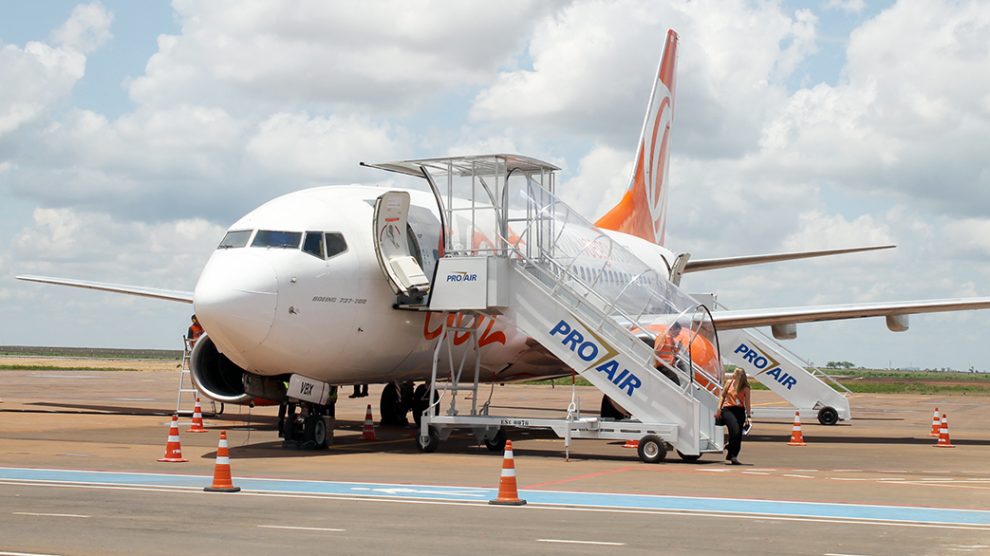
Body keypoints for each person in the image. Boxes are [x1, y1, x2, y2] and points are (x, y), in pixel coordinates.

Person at [716, 368, 752, 465]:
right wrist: (719, 408)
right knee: (735, 430)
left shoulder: (745, 387)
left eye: (736, 374)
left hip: (739, 411)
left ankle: (733, 456)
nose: (733, 375)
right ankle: (730, 447)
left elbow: (747, 403)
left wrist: (748, 416)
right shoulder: (729, 382)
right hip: (728, 409)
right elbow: (723, 395)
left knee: (738, 435)